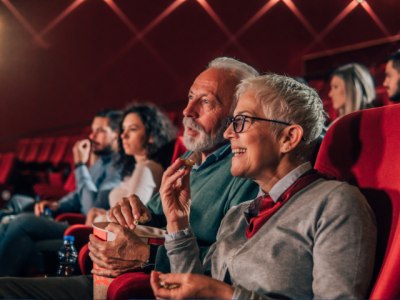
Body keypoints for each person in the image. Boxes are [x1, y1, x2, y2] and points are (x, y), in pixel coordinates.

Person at [0, 57, 260, 299]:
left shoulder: (246, 172)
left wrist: (146, 256)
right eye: (191, 97)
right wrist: (134, 212)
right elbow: (156, 218)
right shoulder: (191, 158)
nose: (187, 110)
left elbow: (228, 265)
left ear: (238, 116)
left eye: (206, 102)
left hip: (148, 287)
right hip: (115, 276)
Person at [150, 74, 377, 299]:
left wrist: (225, 295)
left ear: (288, 138)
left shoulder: (335, 203)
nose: (228, 134)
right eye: (231, 123)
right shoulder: (237, 215)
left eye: (241, 122)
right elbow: (194, 293)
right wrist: (178, 222)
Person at [0, 109, 123, 276]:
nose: (92, 137)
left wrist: (80, 164)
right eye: (92, 130)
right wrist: (56, 204)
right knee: (11, 218)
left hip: (83, 227)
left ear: (116, 134)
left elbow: (90, 207)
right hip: (70, 220)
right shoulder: (101, 161)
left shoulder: (120, 166)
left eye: (100, 131)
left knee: (21, 222)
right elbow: (77, 195)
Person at [85, 103, 177, 226]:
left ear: (151, 136)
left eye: (132, 129)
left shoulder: (146, 168)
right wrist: (104, 212)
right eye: (123, 129)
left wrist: (97, 218)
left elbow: (131, 218)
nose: (123, 135)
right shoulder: (139, 167)